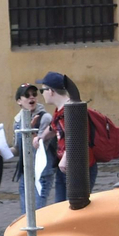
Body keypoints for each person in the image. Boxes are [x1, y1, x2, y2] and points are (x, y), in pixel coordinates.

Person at [40, 72, 99, 204]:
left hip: (79, 168)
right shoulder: (60, 110)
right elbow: (54, 127)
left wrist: (66, 158)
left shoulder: (71, 111)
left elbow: (76, 138)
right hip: (66, 167)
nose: (41, 94)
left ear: (50, 91)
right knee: (61, 206)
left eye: (42, 90)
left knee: (75, 208)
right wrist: (42, 137)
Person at [11, 83, 51, 217]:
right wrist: (2, 150)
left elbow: (40, 146)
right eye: (27, 96)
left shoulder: (45, 118)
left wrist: (31, 130)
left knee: (38, 214)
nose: (31, 98)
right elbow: (17, 148)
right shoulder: (18, 120)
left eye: (34, 94)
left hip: (41, 172)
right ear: (19, 101)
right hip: (25, 172)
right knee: (25, 215)